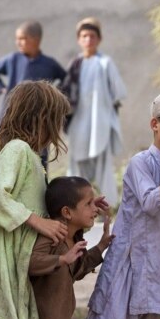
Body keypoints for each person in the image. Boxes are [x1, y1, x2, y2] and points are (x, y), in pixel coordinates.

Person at [84, 88, 160, 319]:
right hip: (130, 266)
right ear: (155, 124)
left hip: (157, 269)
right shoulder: (141, 163)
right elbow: (151, 203)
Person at [0, 80, 70, 319]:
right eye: (56, 120)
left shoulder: (32, 157)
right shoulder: (17, 150)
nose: (59, 128)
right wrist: (37, 222)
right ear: (41, 118)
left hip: (15, 253)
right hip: (0, 250)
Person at [29, 176, 114, 319]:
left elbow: (78, 270)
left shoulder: (74, 237)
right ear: (67, 212)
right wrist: (61, 259)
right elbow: (30, 262)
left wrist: (102, 245)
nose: (95, 209)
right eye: (88, 204)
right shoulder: (51, 236)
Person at [61, 17, 127, 207]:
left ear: (98, 39)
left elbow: (119, 92)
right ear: (79, 40)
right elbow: (66, 94)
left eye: (92, 36)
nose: (88, 40)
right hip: (78, 124)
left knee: (103, 166)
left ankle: (107, 207)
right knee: (76, 166)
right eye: (84, 36)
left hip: (100, 123)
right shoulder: (75, 64)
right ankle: (74, 205)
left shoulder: (105, 63)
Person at [0, 20, 66, 166]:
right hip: (15, 116)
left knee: (39, 157)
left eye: (23, 38)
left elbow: (65, 79)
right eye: (17, 39)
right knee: (12, 154)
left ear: (36, 40)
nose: (18, 42)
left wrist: (55, 99)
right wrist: (1, 88)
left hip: (39, 119)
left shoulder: (49, 64)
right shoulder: (13, 59)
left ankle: (41, 187)